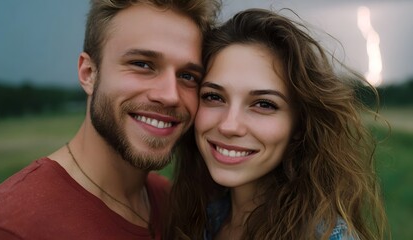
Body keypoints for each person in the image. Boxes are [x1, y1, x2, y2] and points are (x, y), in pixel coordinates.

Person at [0, 0, 220, 239]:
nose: (170, 95)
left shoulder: (171, 204)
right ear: (88, 73)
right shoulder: (10, 227)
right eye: (142, 64)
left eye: (187, 76)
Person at [165, 8, 389, 240]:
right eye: (214, 97)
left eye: (263, 104)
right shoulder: (201, 218)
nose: (229, 126)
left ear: (299, 125)